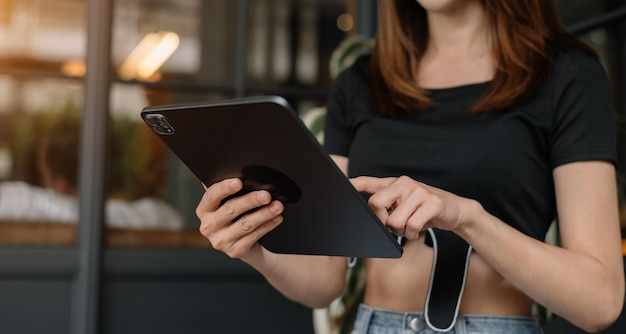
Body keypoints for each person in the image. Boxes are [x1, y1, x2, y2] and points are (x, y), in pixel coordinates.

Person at [196, 0, 625, 333]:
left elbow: (599, 302)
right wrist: (258, 249)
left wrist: (466, 217)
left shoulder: (567, 75)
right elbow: (325, 281)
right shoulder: (361, 82)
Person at [0, 114, 183, 230]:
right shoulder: (158, 215)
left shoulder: (75, 221)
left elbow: (28, 202)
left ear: (61, 184)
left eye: (44, 175)